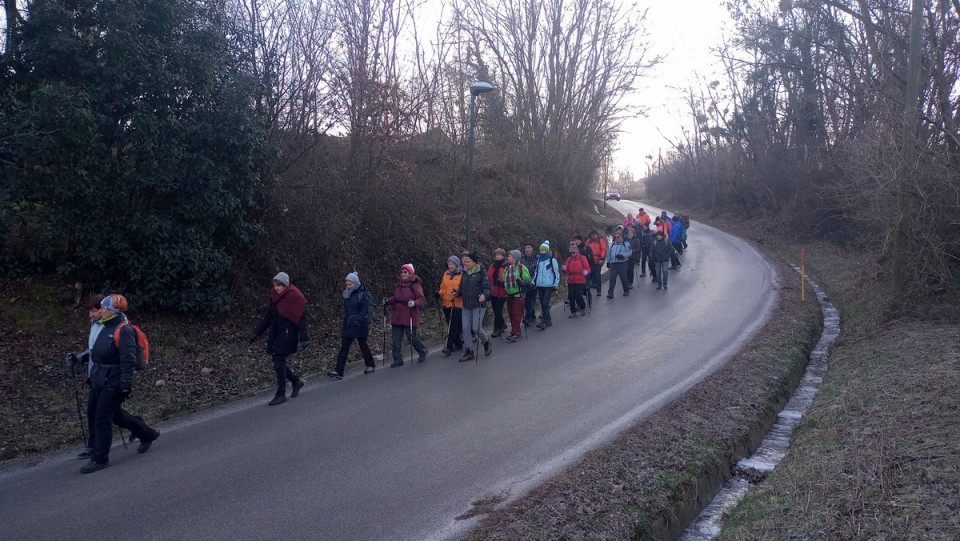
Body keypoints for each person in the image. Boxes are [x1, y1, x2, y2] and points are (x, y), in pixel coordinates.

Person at [79, 294, 160, 473]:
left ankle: (100, 458)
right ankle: (148, 434)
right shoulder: (103, 326)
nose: (101, 311)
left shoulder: (124, 330)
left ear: (112, 311)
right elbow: (97, 352)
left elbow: (128, 359)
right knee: (115, 415)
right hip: (100, 379)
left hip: (113, 381)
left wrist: (125, 384)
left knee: (102, 418)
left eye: (103, 308)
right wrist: (80, 359)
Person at [251, 272, 308, 406]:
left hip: (288, 333)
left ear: (286, 285)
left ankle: (281, 393)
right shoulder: (275, 296)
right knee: (278, 361)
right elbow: (269, 317)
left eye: (280, 285)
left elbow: (301, 318)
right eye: (275, 285)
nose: (276, 288)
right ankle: (296, 382)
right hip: (276, 332)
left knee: (278, 360)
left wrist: (304, 338)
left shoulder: (295, 296)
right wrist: (257, 332)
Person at [327, 272, 376, 380]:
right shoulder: (347, 293)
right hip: (349, 324)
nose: (348, 287)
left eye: (351, 285)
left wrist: (358, 319)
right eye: (347, 284)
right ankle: (339, 371)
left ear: (356, 283)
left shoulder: (362, 294)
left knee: (363, 345)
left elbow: (364, 310)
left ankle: (370, 365)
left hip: (359, 324)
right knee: (344, 348)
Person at [385, 264, 428, 367]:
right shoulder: (399, 284)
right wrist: (387, 301)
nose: (403, 274)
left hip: (410, 315)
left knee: (412, 337)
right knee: (396, 339)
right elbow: (395, 298)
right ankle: (397, 360)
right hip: (397, 315)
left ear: (410, 273)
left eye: (405, 272)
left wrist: (414, 303)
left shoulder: (415, 285)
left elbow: (421, 298)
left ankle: (422, 351)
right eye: (402, 272)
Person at [458, 252, 492, 360]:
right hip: (466, 304)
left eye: (468, 262)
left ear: (474, 262)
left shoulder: (481, 271)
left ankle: (486, 342)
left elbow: (487, 288)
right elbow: (462, 287)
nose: (466, 263)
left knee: (476, 328)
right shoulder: (464, 272)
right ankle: (469, 351)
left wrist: (484, 295)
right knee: (466, 329)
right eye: (465, 261)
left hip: (478, 304)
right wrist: (457, 293)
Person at [501, 249, 532, 342]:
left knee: (516, 314)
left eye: (509, 256)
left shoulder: (521, 267)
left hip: (518, 294)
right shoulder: (507, 268)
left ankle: (516, 332)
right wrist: (502, 283)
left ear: (515, 258)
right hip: (509, 294)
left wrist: (522, 282)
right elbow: (504, 279)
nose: (508, 258)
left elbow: (528, 280)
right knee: (511, 313)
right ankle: (515, 331)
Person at [439, 255, 464, 355]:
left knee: (453, 325)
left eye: (452, 264)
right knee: (452, 324)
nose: (450, 266)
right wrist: (439, 293)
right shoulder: (446, 274)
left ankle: (448, 347)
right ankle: (458, 343)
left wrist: (457, 293)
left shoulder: (462, 274)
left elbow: (462, 287)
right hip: (446, 302)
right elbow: (443, 286)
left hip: (457, 303)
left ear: (456, 264)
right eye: (449, 264)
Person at [534, 242, 560, 329]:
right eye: (541, 249)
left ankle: (543, 321)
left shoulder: (552, 260)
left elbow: (557, 273)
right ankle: (548, 320)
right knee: (543, 303)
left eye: (543, 250)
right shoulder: (539, 261)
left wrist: (556, 284)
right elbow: (536, 273)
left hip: (549, 285)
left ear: (547, 251)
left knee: (545, 303)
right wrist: (533, 282)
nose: (541, 251)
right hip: (540, 285)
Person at [562, 242, 591, 317]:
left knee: (578, 294)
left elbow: (588, 268)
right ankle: (573, 312)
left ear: (577, 251)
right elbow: (566, 270)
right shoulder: (569, 259)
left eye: (573, 252)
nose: (572, 253)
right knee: (571, 296)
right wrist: (564, 269)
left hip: (580, 279)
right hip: (571, 279)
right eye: (571, 252)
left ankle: (583, 307)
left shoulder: (582, 258)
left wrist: (586, 271)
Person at [487, 248, 508, 338]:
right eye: (496, 255)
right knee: (496, 310)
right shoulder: (492, 266)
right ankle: (502, 324)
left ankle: (497, 328)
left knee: (498, 310)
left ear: (503, 256)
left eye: (499, 255)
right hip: (493, 291)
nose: (498, 256)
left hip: (502, 292)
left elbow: (508, 278)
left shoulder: (506, 266)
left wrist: (503, 282)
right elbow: (489, 278)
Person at [606, 230, 632, 298]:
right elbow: (609, 253)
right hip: (614, 264)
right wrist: (608, 261)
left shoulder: (626, 244)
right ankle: (610, 293)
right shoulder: (612, 244)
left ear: (621, 237)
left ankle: (626, 290)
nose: (616, 238)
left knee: (623, 278)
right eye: (615, 237)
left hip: (622, 264)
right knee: (612, 278)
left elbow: (629, 252)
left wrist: (623, 256)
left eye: (618, 237)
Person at [571, 233, 594, 308]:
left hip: (585, 271)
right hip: (577, 273)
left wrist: (591, 270)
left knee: (586, 288)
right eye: (575, 240)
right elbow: (569, 258)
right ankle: (579, 304)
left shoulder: (586, 248)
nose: (576, 241)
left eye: (577, 240)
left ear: (581, 240)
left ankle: (589, 300)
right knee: (578, 289)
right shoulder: (573, 249)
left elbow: (591, 260)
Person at [520, 242, 540, 327]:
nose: (527, 249)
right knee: (526, 301)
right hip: (524, 283)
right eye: (526, 248)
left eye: (528, 248)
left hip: (533, 282)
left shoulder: (537, 258)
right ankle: (532, 315)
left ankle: (528, 317)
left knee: (531, 300)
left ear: (532, 249)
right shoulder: (522, 258)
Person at [585, 229, 607, 297]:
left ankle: (599, 290)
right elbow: (585, 249)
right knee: (590, 275)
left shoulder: (600, 240)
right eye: (592, 235)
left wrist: (602, 258)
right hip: (590, 260)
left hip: (598, 260)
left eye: (594, 234)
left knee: (597, 275)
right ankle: (590, 287)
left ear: (596, 234)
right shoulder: (588, 241)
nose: (593, 236)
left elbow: (603, 249)